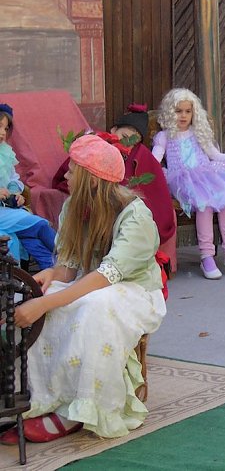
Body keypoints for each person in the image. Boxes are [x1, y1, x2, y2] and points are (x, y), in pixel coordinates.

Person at [1, 134, 167, 444]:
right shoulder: (73, 209)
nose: (65, 175)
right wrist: (50, 276)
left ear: (91, 179)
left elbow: (107, 276)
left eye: (72, 170)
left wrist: (46, 304)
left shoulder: (136, 216)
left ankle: (81, 410)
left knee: (90, 307)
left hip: (135, 293)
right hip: (92, 285)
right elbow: (70, 267)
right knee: (41, 297)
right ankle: (39, 397)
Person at [152, 88, 225, 280]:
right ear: (169, 113)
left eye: (187, 111)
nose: (183, 116)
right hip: (183, 179)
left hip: (208, 175)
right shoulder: (165, 136)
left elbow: (215, 156)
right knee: (203, 206)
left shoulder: (198, 133)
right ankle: (207, 256)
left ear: (193, 113)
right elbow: (155, 159)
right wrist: (144, 169)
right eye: (178, 111)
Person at [52, 103, 177, 249]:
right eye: (124, 136)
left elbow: (154, 191)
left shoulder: (142, 155)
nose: (126, 142)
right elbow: (70, 174)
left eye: (134, 140)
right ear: (113, 129)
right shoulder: (97, 147)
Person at [0, 103, 57, 270]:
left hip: (5, 210)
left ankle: (51, 270)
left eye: (6, 128)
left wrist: (14, 192)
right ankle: (68, 260)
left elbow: (13, 179)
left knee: (13, 240)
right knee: (39, 225)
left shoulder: (4, 152)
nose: (3, 132)